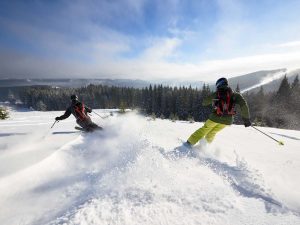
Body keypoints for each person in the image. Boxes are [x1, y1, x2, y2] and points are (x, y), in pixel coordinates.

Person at [185, 77, 251, 147]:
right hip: (227, 121)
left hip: (214, 118)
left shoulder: (217, 94)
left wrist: (213, 99)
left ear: (218, 85)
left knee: (204, 129)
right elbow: (244, 105)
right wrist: (246, 119)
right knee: (213, 132)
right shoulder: (236, 95)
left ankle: (189, 143)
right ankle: (204, 147)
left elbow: (204, 102)